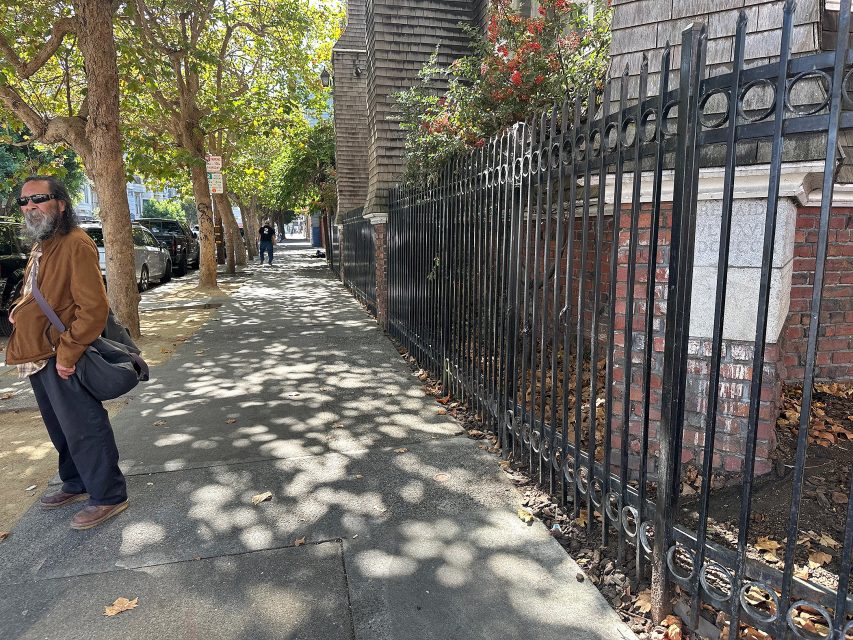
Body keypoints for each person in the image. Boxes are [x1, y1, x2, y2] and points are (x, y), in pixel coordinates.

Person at [5, 176, 128, 530]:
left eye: (38, 199)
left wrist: (67, 353)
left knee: (84, 426)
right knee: (60, 427)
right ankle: (75, 482)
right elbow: (40, 292)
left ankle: (108, 494)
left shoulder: (75, 243)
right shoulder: (44, 245)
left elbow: (93, 309)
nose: (30, 207)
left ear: (60, 203)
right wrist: (20, 308)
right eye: (24, 202)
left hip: (59, 353)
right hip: (36, 353)